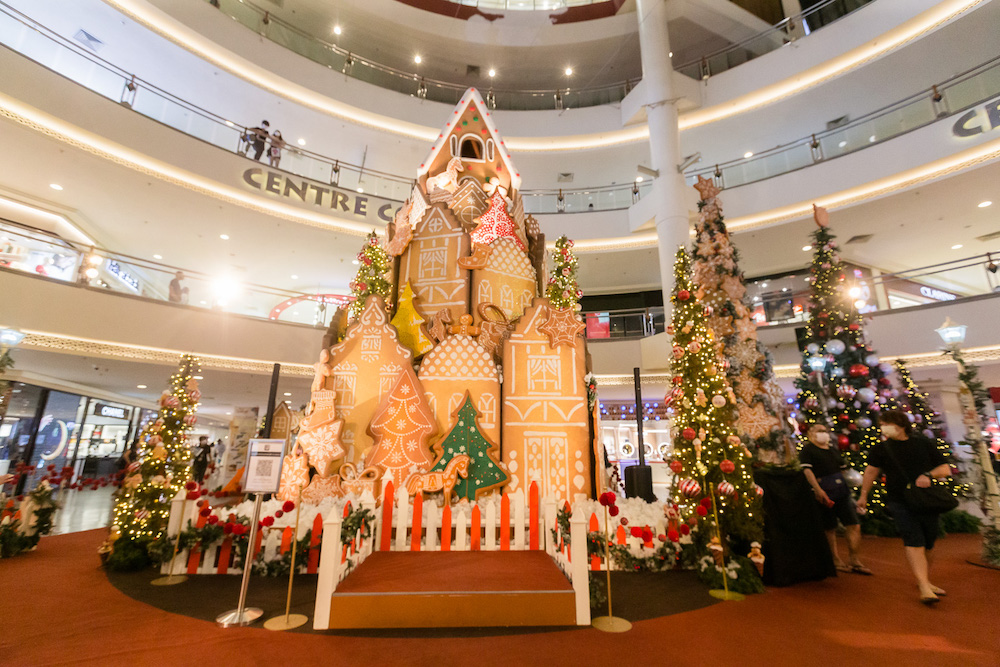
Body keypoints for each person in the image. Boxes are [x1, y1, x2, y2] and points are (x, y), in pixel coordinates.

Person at [857, 410, 952, 605]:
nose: (883, 427)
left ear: (900, 424)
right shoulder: (881, 448)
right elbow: (870, 472)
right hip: (898, 500)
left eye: (886, 423)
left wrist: (928, 475)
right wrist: (863, 494)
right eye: (881, 424)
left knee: (929, 542)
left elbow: (945, 469)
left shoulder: (923, 443)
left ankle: (925, 579)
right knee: (913, 540)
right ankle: (924, 586)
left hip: (926, 500)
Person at [799, 423, 870, 575]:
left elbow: (843, 471)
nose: (823, 433)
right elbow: (807, 471)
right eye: (819, 431)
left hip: (841, 492)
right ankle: (835, 559)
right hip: (823, 493)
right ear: (811, 433)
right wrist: (818, 490)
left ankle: (854, 559)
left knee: (854, 524)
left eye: (825, 431)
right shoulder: (808, 450)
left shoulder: (833, 450)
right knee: (829, 527)